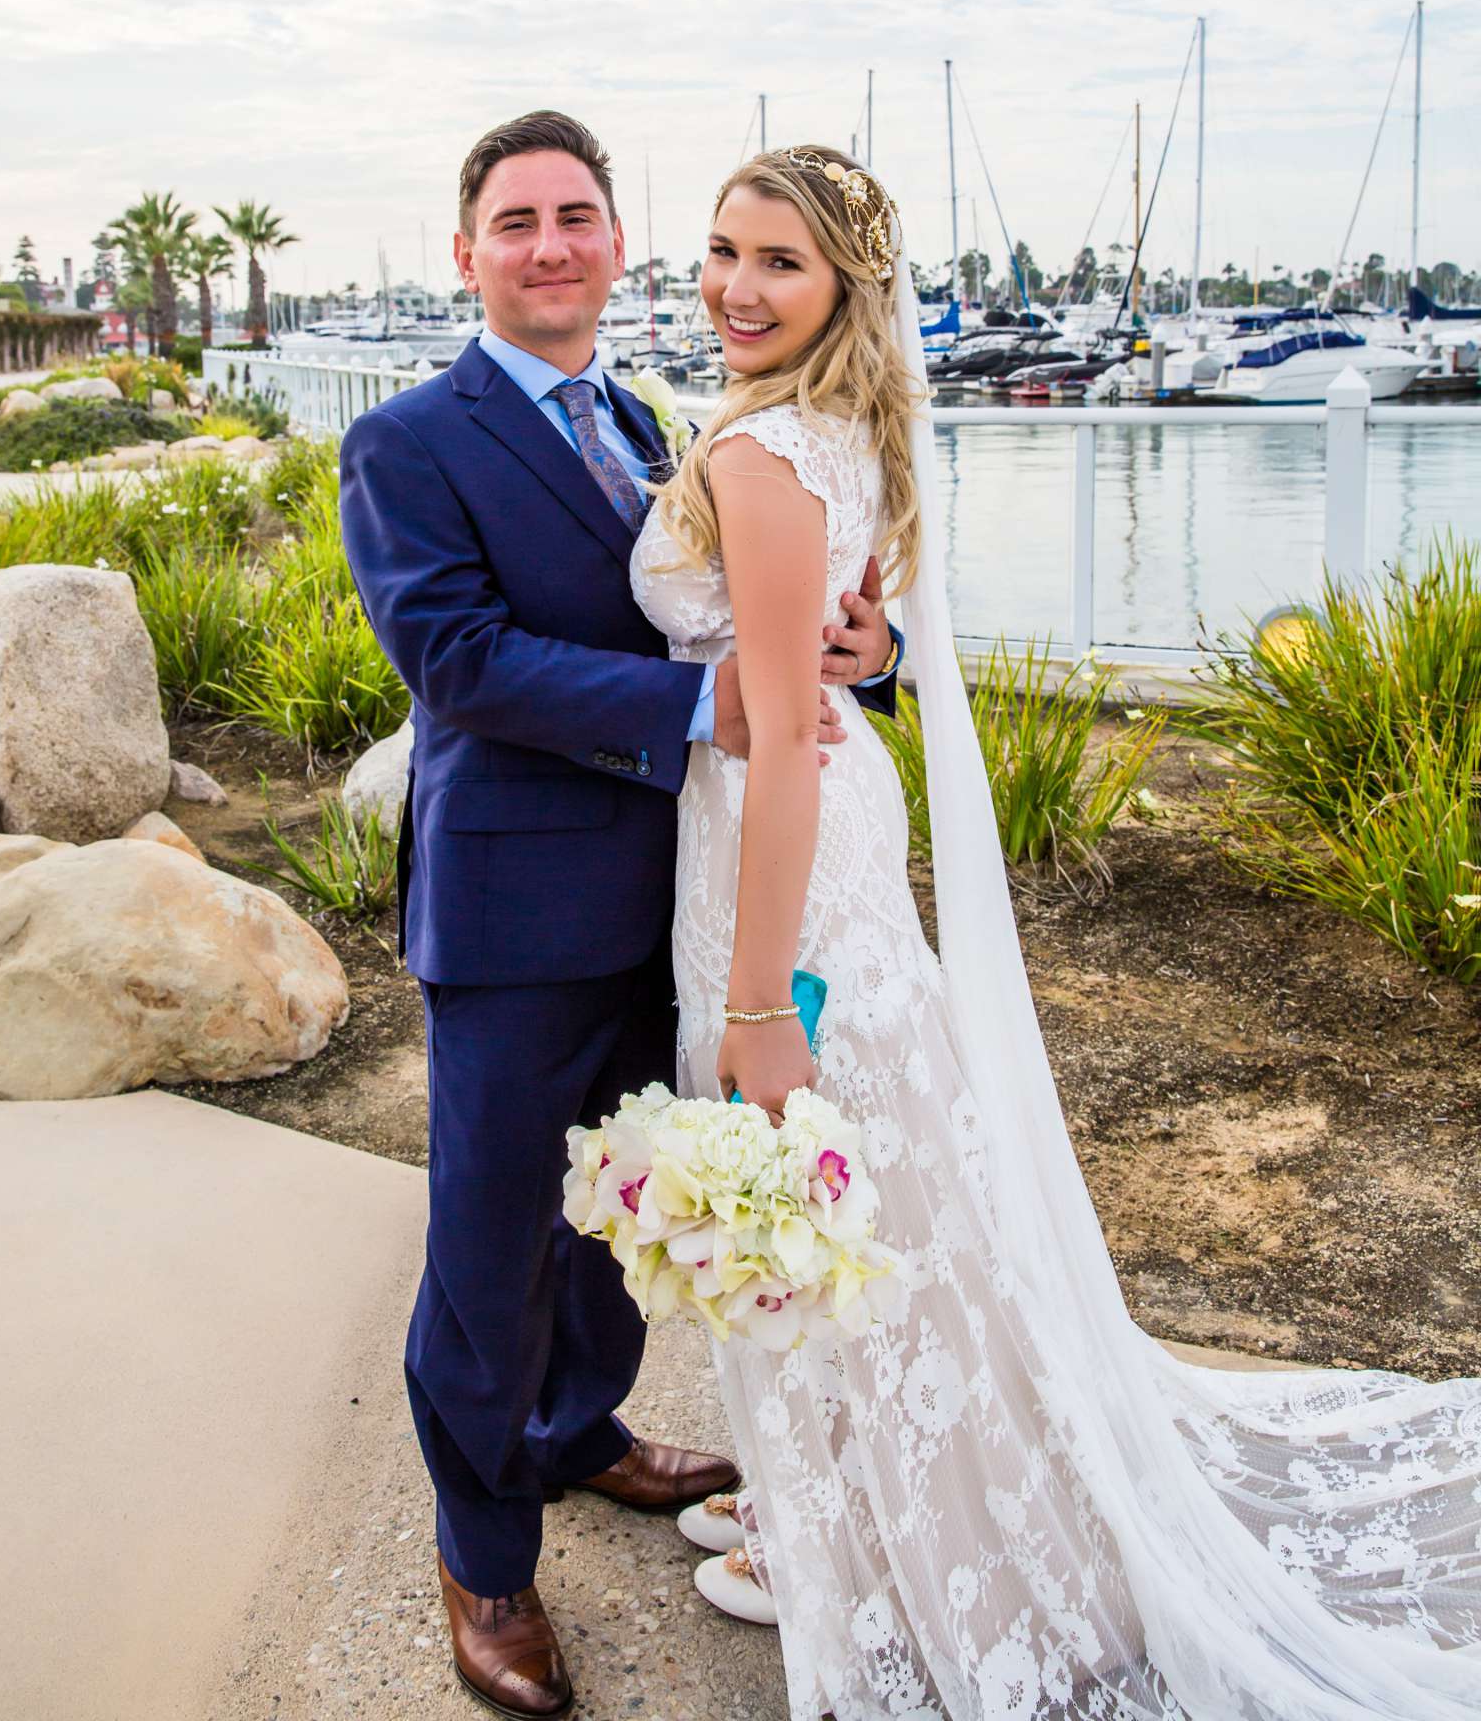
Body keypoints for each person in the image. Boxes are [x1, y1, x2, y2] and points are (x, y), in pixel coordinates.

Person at [630, 144, 1481, 1719]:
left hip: (779, 843)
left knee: (818, 1165)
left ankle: (867, 1539)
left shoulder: (762, 458)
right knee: (888, 1183)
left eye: (780, 264)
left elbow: (789, 735)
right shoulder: (836, 432)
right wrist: (859, 647)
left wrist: (755, 1004)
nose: (737, 288)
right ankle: (849, 1498)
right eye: (724, 251)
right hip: (825, 833)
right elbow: (842, 657)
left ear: (842, 290)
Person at [338, 112, 900, 1719]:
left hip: (670, 898)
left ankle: (581, 1434)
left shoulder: (658, 419)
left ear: (612, 241)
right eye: (516, 221)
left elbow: (775, 594)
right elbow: (458, 661)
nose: (551, 244)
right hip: (513, 915)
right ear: (468, 256)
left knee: (611, 1217)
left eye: (577, 214)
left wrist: (861, 647)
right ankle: (485, 1555)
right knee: (489, 1249)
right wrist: (709, 699)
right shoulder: (407, 444)